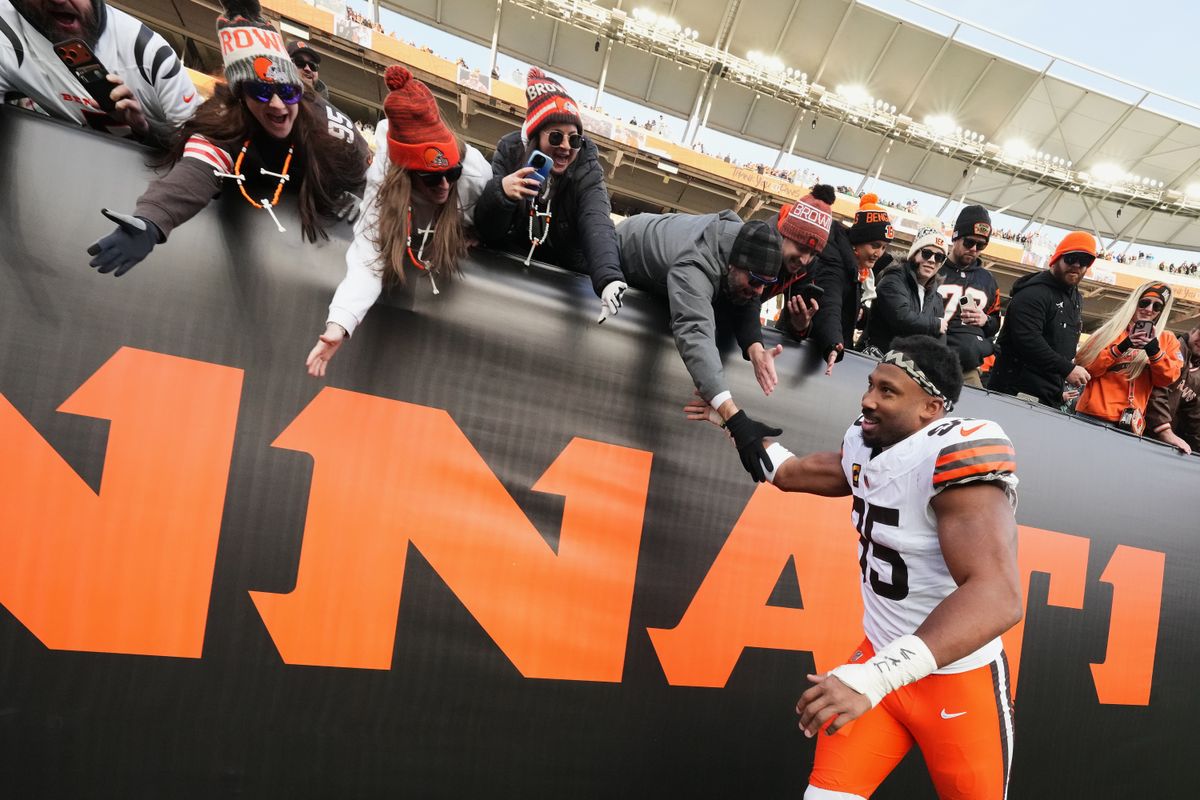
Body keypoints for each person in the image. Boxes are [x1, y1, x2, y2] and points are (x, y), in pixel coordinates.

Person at [685, 335, 1021, 799]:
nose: (868, 400)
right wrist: (733, 421)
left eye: (888, 391)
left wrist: (876, 677)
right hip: (879, 657)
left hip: (955, 680)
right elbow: (794, 473)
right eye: (871, 384)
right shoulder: (869, 446)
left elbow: (999, 596)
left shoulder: (953, 459)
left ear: (930, 408)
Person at [86, 0, 369, 277]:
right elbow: (195, 172)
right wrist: (151, 221)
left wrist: (363, 196)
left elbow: (376, 173)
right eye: (260, 92)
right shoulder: (224, 122)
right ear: (240, 97)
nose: (277, 105)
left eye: (287, 92)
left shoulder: (333, 132)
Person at [305, 66, 489, 377]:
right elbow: (368, 260)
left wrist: (479, 231)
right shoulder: (383, 184)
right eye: (431, 178)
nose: (445, 185)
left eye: (451, 173)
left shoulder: (474, 173)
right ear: (406, 176)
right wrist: (339, 324)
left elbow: (498, 217)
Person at [617, 211, 785, 481]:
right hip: (621, 249)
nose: (759, 291)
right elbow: (695, 332)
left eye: (767, 284)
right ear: (732, 264)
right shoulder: (696, 265)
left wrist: (755, 348)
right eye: (755, 281)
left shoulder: (743, 247)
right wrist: (734, 418)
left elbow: (750, 295)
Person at [474, 68, 626, 323]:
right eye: (556, 136)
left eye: (574, 139)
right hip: (512, 265)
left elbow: (597, 220)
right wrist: (502, 193)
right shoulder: (509, 151)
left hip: (567, 272)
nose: (566, 146)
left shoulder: (588, 167)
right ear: (535, 136)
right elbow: (489, 231)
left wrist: (609, 278)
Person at [0, 0, 197, 141]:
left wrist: (145, 132)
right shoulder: (5, 34)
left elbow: (201, 154)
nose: (58, 1)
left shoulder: (149, 54)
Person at [721, 184, 836, 396]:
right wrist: (756, 347)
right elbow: (749, 302)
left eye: (812, 253)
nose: (805, 259)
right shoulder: (759, 241)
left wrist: (800, 324)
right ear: (784, 234)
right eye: (801, 248)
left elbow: (794, 328)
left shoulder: (805, 266)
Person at [988, 231, 1095, 407]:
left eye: (1084, 261)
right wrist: (1067, 369)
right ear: (1057, 258)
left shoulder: (1076, 297)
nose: (1077, 265)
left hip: (1049, 395)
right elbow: (1028, 340)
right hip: (1016, 392)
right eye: (1071, 258)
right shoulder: (1033, 292)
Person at [1074, 282, 1183, 431]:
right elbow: (1086, 369)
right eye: (1144, 303)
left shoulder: (1167, 340)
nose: (1149, 309)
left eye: (1157, 306)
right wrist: (1120, 348)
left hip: (1130, 424)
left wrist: (1154, 352)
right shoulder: (1109, 331)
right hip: (1093, 416)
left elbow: (1167, 379)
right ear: (1135, 302)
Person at [807, 194, 895, 374]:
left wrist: (861, 315)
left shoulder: (860, 269)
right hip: (813, 351)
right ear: (858, 240)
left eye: (884, 247)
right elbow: (829, 304)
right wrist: (833, 344)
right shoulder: (834, 263)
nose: (879, 253)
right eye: (875, 245)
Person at [937, 204, 1001, 388]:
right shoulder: (934, 266)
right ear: (955, 237)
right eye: (969, 242)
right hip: (927, 358)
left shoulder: (988, 280)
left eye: (980, 245)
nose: (974, 249)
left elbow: (995, 324)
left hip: (965, 368)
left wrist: (986, 320)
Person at [863, 219, 947, 353]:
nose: (932, 260)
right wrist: (936, 324)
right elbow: (901, 318)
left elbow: (939, 341)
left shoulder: (936, 298)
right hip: (878, 359)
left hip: (912, 363)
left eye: (939, 257)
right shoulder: (892, 279)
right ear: (914, 253)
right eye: (926, 253)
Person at [1147, 324, 1200, 454]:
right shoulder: (1172, 347)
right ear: (1193, 331)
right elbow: (1157, 390)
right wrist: (1164, 429)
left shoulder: (1197, 375)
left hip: (1162, 439)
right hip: (1140, 429)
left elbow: (1194, 415)